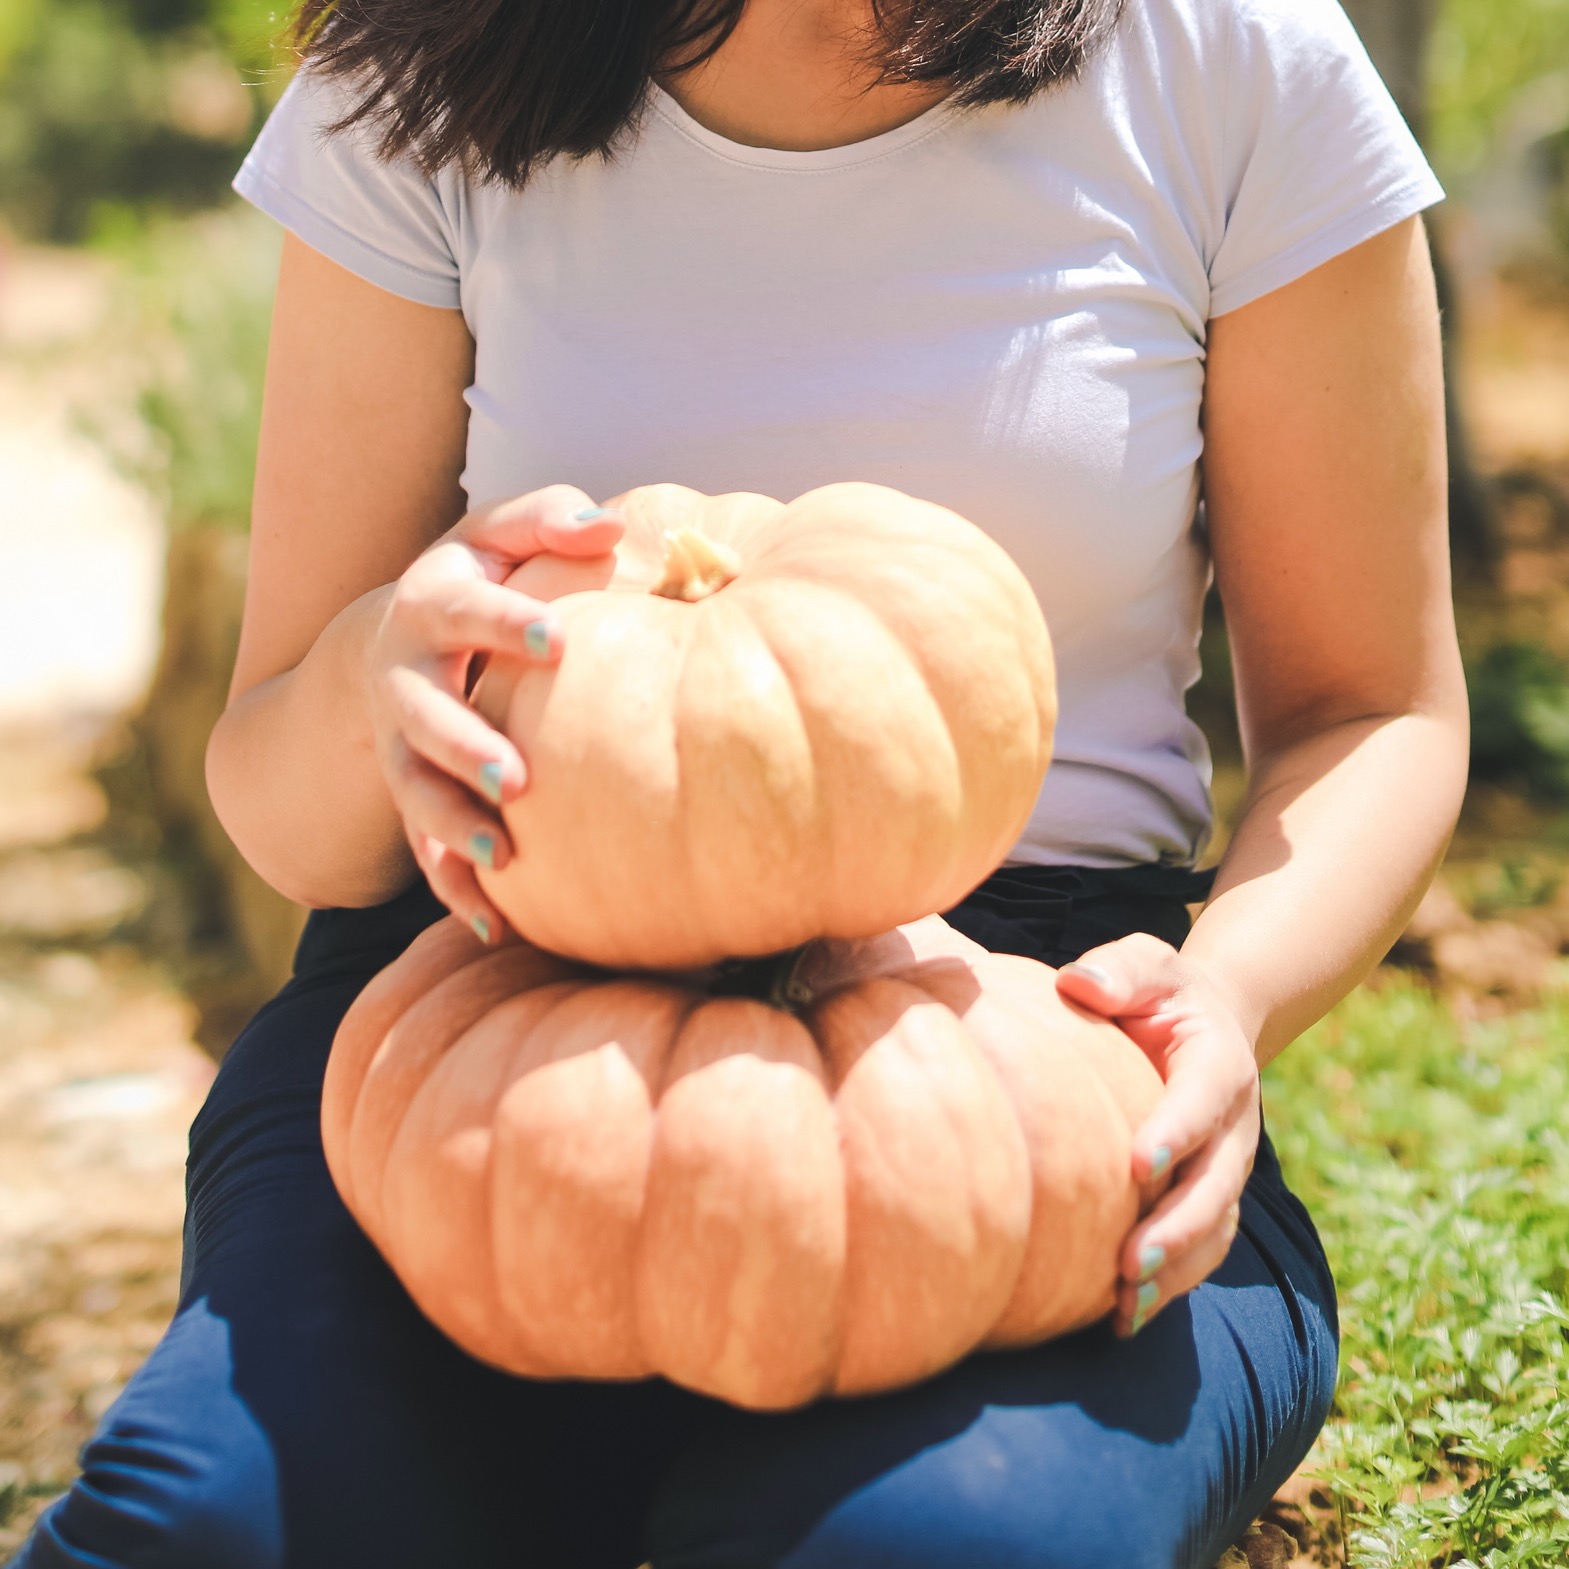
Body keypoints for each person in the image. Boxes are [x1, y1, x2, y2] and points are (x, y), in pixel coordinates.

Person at [15, 0, 1468, 1564]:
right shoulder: (420, 62)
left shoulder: (1231, 60)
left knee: (927, 1548)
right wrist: (380, 672)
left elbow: (1367, 708)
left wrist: (1224, 999)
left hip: (1027, 1041)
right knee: (227, 1529)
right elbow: (277, 786)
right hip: (485, 1015)